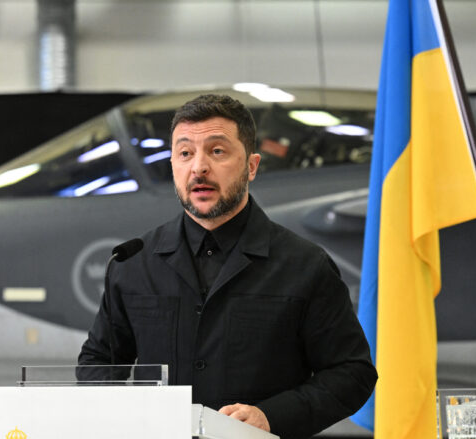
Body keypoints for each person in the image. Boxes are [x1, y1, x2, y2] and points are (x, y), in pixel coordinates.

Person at [78, 94, 377, 439]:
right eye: (185, 153)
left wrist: (271, 417)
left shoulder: (305, 266)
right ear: (173, 165)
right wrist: (128, 417)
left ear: (251, 166)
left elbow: (352, 373)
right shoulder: (133, 263)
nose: (199, 167)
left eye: (217, 151)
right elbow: (98, 361)